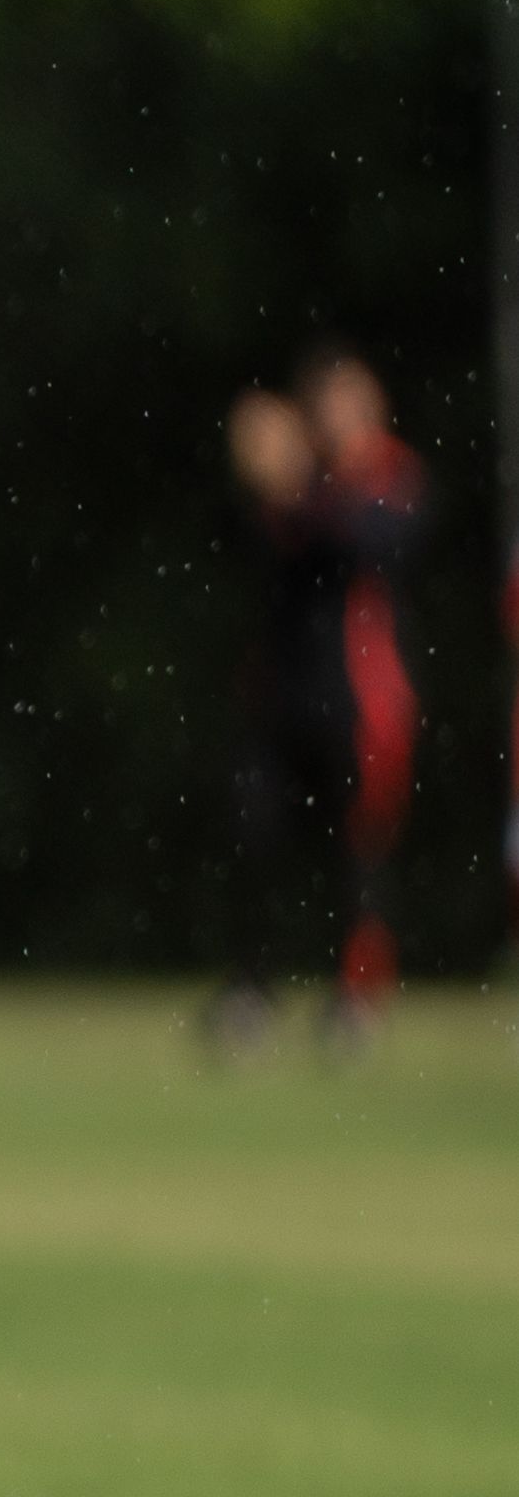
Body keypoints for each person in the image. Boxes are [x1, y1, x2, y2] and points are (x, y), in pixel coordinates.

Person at [213, 357, 424, 1055]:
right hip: (282, 698)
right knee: (254, 835)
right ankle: (252, 990)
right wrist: (275, 481)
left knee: (356, 856)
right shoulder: (304, 491)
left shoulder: (386, 478)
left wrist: (293, 483)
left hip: (361, 702)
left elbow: (369, 545)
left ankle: (356, 997)